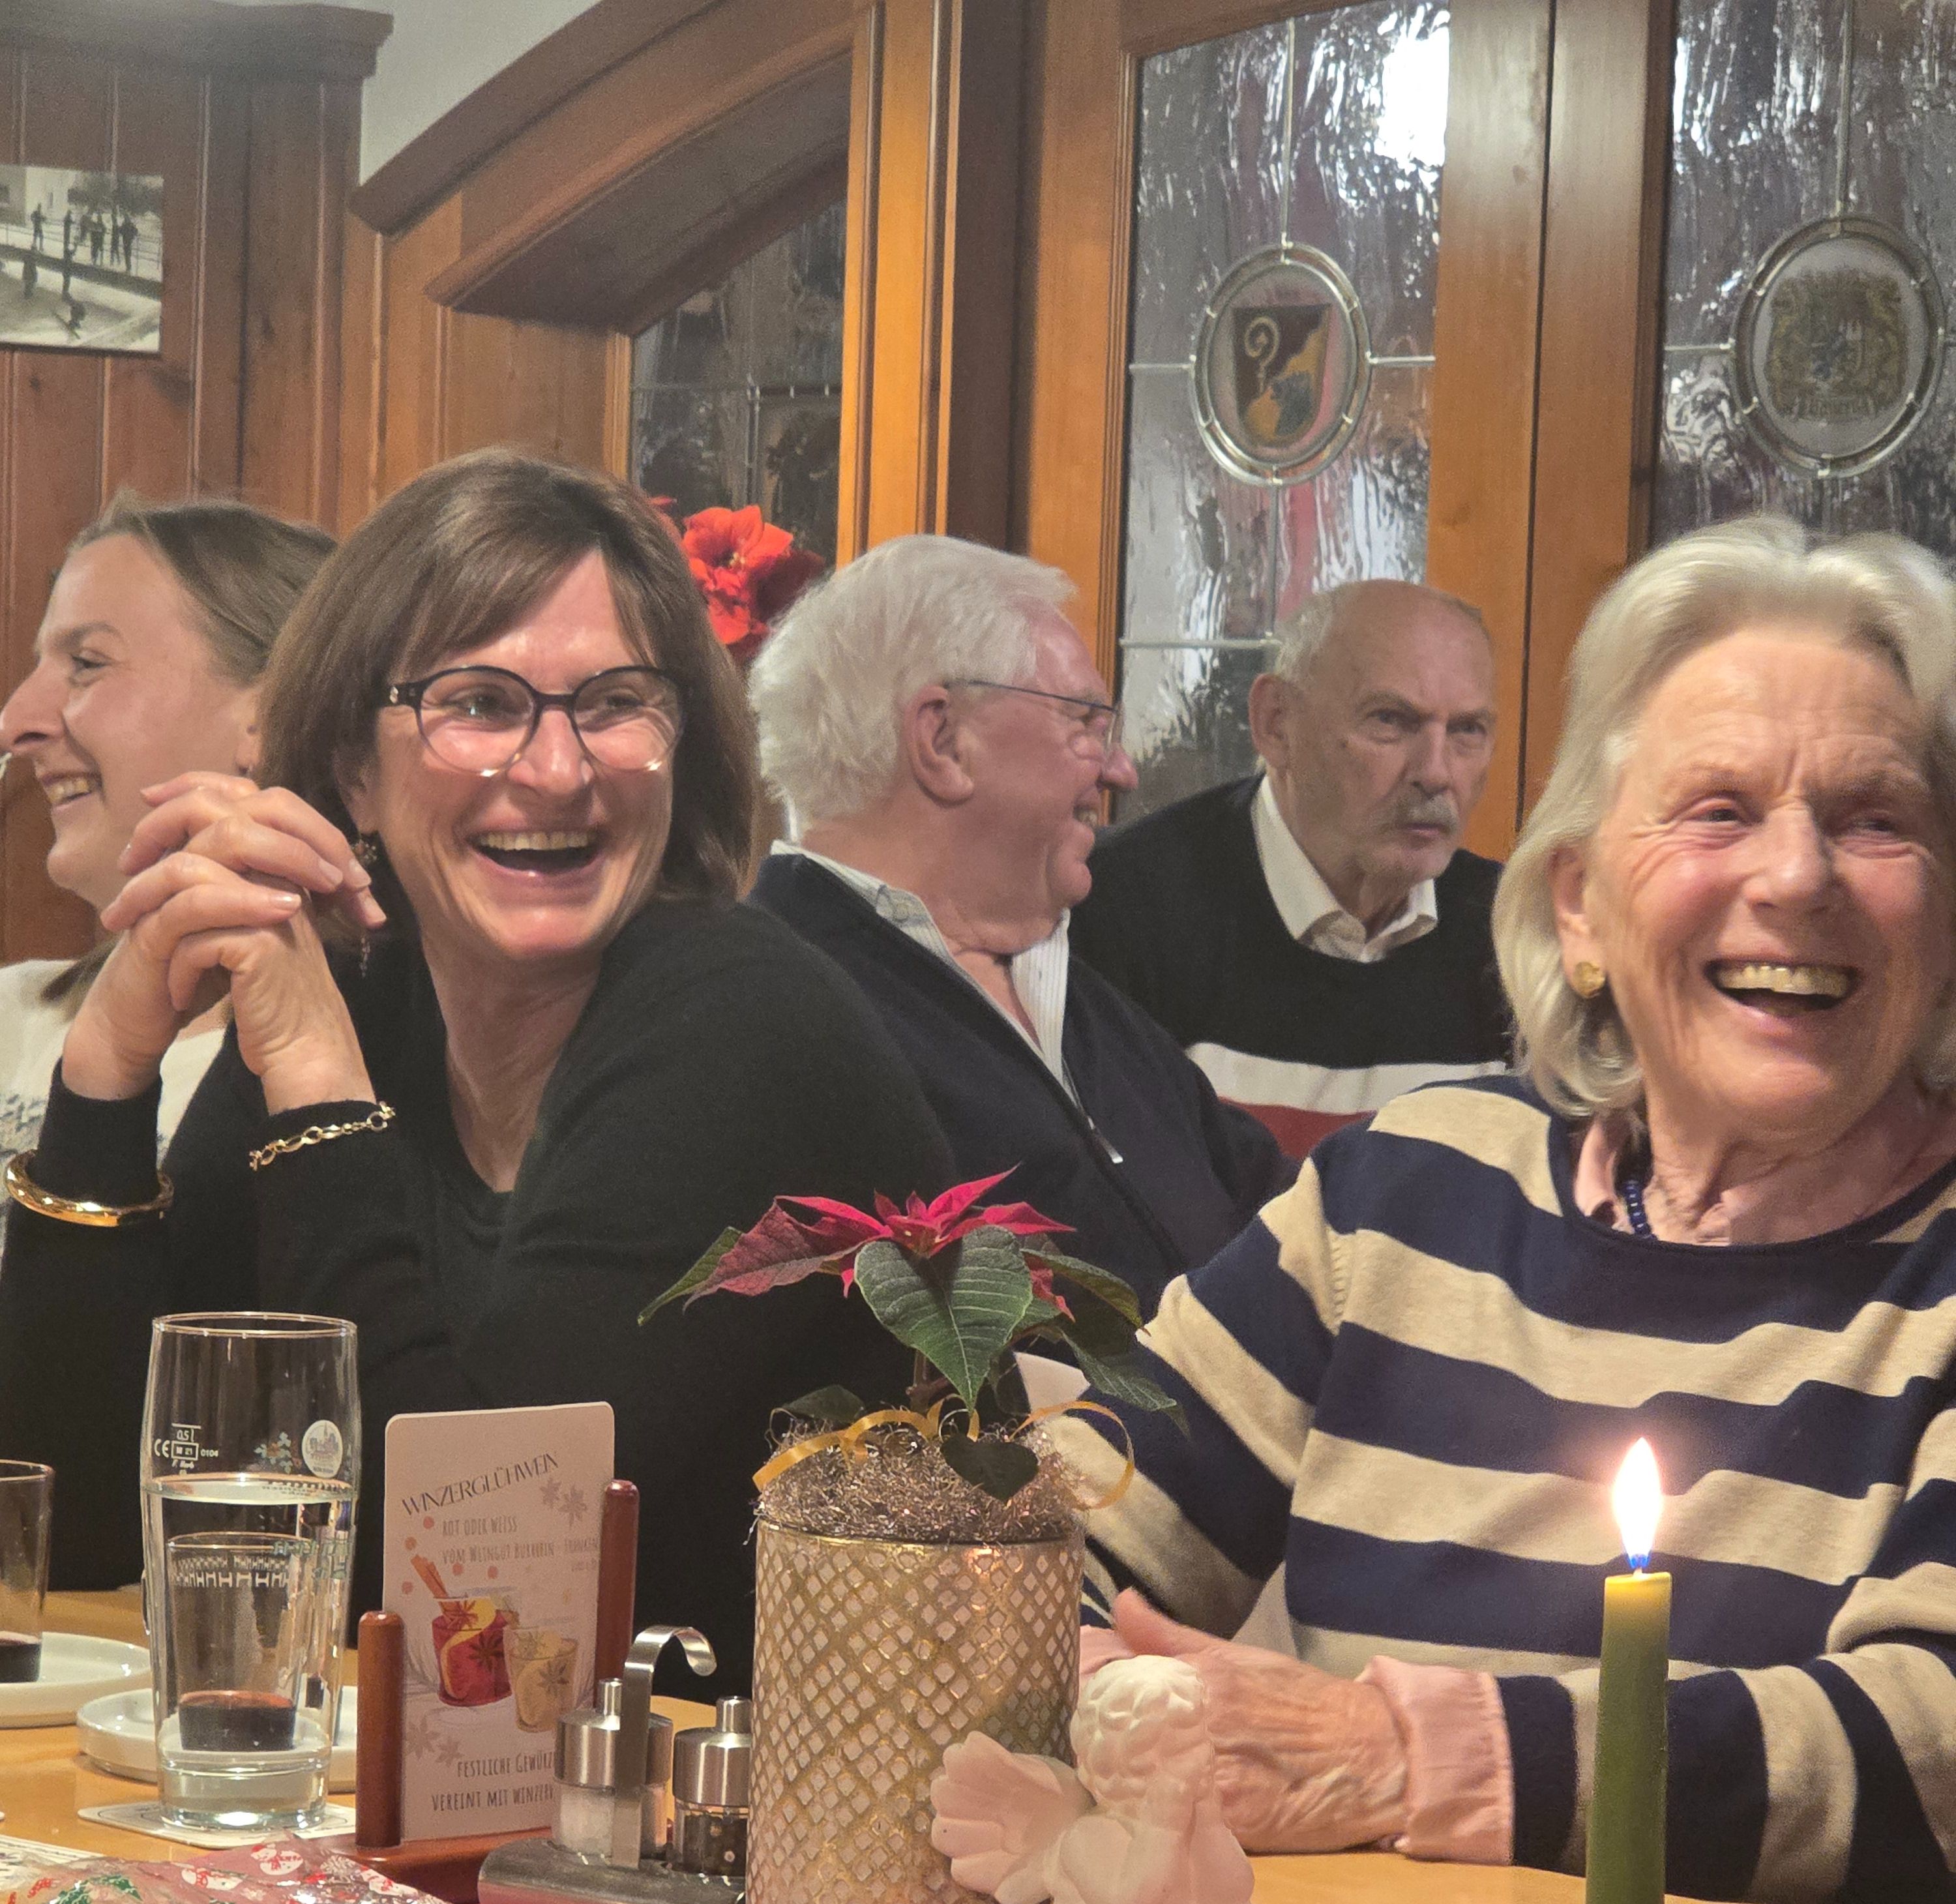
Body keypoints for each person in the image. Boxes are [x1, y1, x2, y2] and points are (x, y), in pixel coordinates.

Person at [1059, 514, 1956, 1904]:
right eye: (1718, 809)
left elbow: (1931, 1742)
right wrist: (1094, 1685)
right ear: (1580, 906)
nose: (1797, 875)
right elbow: (1037, 1539)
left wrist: (1417, 1756)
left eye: (1875, 818)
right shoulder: (1409, 1191)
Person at [0, 449, 950, 1682]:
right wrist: (107, 1068)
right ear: (353, 769)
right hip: (479, 1788)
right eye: (481, 704)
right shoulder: (366, 991)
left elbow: (474, 1584)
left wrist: (315, 1083)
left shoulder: (744, 1020)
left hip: (772, 1792)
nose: (556, 769)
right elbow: (69, 1531)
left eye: (614, 702)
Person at [748, 535, 1292, 1315]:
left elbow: (1289, 1221)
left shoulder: (1076, 989)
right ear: (942, 740)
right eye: (1084, 722)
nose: (1121, 770)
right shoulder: (773, 1014)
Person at [1071, 581, 1509, 1157]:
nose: (1436, 773)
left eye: (1466, 731)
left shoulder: (1515, 929)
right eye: (1390, 720)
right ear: (1276, 723)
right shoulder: (1122, 906)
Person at [0, 494, 336, 1185]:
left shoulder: (373, 1058)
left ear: (273, 711)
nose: (14, 722)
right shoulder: (15, 1013)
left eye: (87, 662)